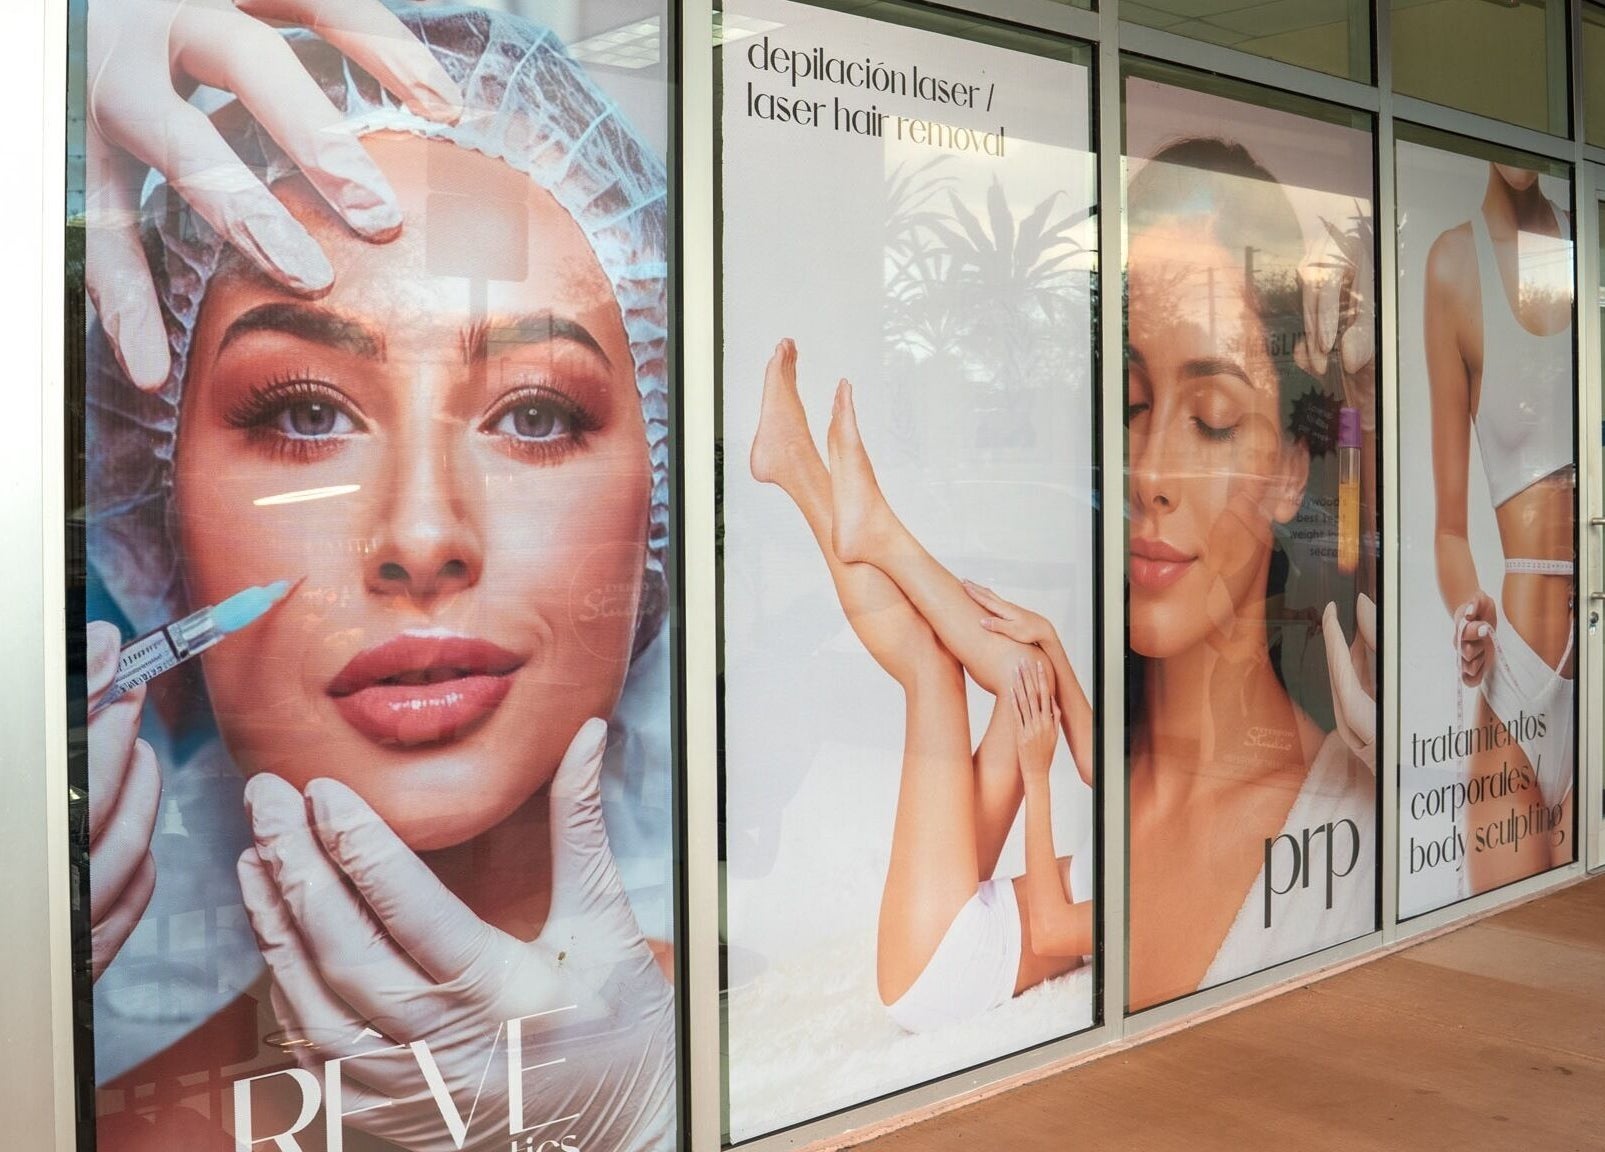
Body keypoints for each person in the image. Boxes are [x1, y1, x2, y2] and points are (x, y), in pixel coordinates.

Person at [85, 9, 675, 1150]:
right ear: (156, 503)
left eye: (537, 413)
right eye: (305, 414)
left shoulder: (838, 1036)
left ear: (658, 490)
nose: (421, 534)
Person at [966, 138, 1377, 1012]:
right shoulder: (1093, 777)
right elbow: (915, 976)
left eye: (1215, 417)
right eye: (1130, 405)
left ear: (1291, 470)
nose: (1147, 473)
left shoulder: (1344, 839)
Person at [750, 339, 1095, 1034]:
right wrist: (1051, 640)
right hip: (969, 914)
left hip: (946, 966)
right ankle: (837, 501)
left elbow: (1058, 931)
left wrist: (1034, 775)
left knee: (933, 674)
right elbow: (1100, 764)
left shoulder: (1177, 888)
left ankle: (830, 498)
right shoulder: (1164, 810)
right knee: (1027, 666)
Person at [1424, 160, 1575, 894]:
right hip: (1514, 679)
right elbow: (1448, 531)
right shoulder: (1455, 266)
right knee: (1508, 952)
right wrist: (1465, 613)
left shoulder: (1587, 253)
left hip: (1597, 669)